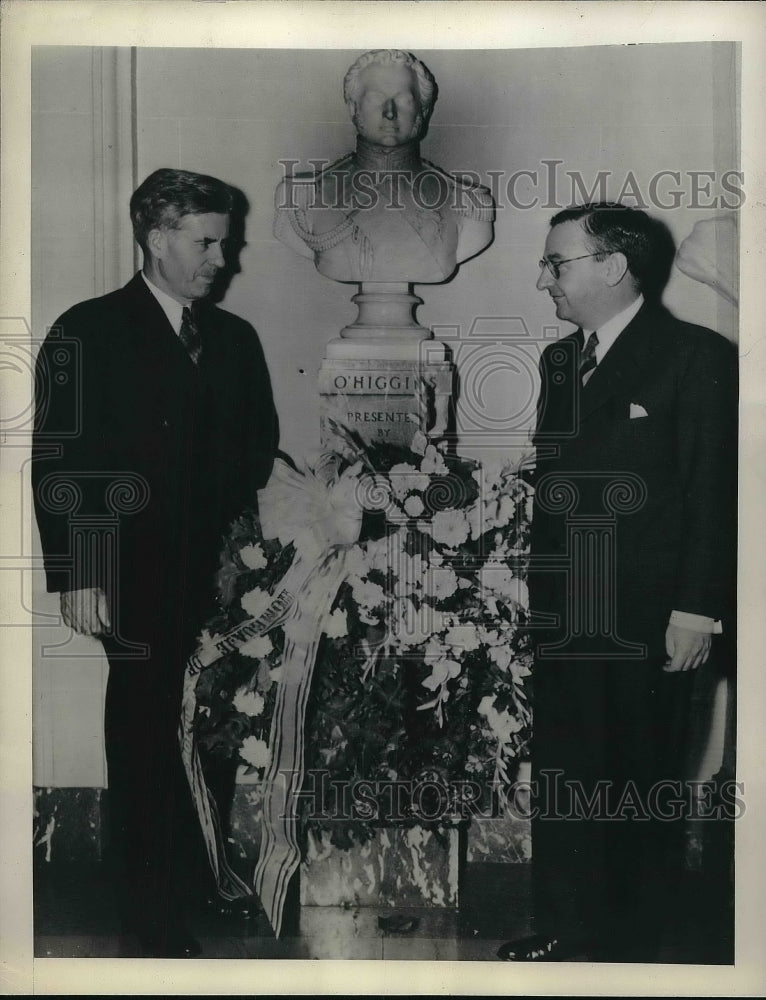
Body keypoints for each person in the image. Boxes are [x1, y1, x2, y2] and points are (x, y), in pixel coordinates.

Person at [32, 168, 278, 957]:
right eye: (206, 242)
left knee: (208, 724)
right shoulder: (88, 329)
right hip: (130, 574)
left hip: (222, 575)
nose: (222, 258)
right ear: (156, 236)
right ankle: (146, 908)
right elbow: (62, 462)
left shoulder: (235, 340)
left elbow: (254, 451)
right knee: (143, 728)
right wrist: (78, 573)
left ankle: (195, 876)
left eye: (226, 242)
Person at [498, 203, 737, 962]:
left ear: (610, 266)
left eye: (556, 263)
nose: (545, 280)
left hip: (649, 614)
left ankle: (635, 947)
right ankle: (566, 926)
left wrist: (696, 611)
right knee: (568, 767)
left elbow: (713, 492)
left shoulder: (695, 356)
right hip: (569, 610)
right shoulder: (560, 363)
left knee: (639, 773)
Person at [274, 49, 494, 284]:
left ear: (423, 110)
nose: (390, 113)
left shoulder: (467, 202)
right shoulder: (300, 197)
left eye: (404, 100)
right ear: (353, 108)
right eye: (376, 98)